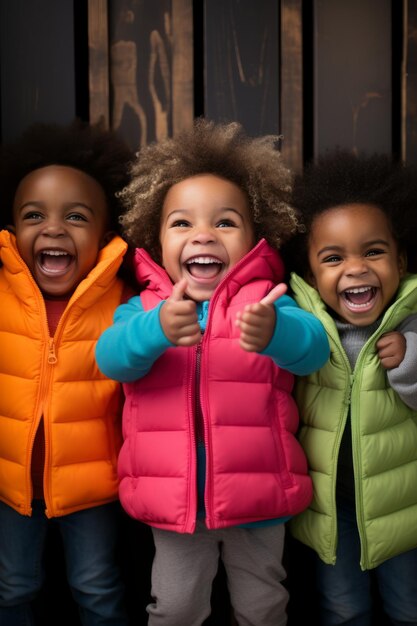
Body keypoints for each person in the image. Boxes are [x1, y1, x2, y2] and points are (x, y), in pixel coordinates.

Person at [95, 118, 330, 626]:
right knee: (176, 607)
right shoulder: (143, 307)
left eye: (225, 222)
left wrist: (274, 334)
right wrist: (155, 330)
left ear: (254, 238)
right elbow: (111, 358)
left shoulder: (267, 302)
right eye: (182, 223)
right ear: (155, 240)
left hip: (258, 499)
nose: (203, 234)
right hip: (174, 502)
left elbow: (313, 352)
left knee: (263, 605)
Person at [0, 119, 134, 626]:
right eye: (35, 215)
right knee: (12, 585)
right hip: (10, 484)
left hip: (92, 486)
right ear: (13, 230)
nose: (53, 229)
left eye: (75, 217)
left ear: (103, 236)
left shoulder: (124, 304)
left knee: (95, 586)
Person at [282, 149, 417, 625]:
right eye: (334, 258)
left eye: (373, 251)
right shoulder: (305, 330)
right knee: (342, 609)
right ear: (314, 278)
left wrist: (411, 359)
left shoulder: (412, 323)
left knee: (408, 607)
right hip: (331, 508)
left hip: (403, 508)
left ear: (400, 259)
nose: (356, 268)